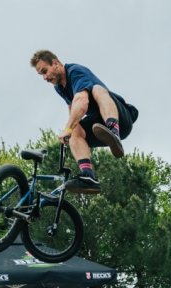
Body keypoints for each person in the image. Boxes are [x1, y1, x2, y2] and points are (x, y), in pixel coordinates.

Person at [30, 50, 139, 193]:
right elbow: (72, 107)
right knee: (74, 129)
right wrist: (71, 134)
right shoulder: (59, 87)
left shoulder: (75, 71)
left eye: (45, 71)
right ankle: (88, 177)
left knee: (97, 89)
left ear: (55, 63)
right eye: (41, 75)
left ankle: (114, 132)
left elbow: (81, 102)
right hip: (98, 126)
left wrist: (67, 129)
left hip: (122, 119)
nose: (44, 78)